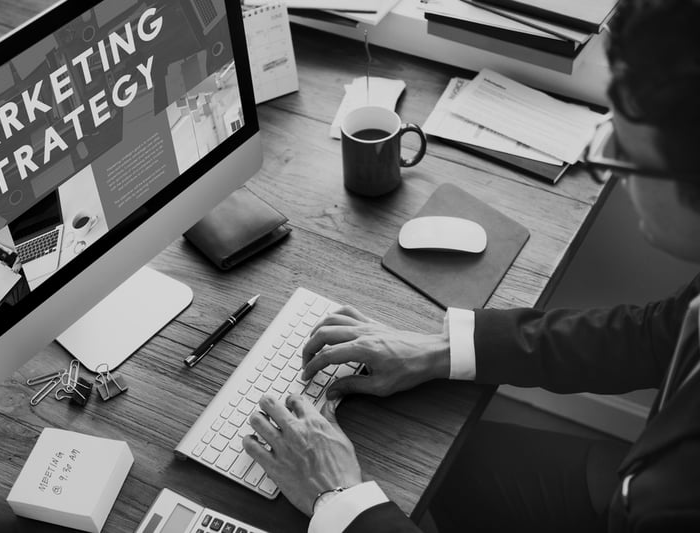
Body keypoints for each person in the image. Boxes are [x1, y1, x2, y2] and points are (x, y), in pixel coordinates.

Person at [240, 0, 700, 531]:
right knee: (453, 470)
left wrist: (339, 497)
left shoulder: (678, 503)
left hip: (636, 502)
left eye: (624, 154)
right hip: (632, 478)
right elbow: (656, 336)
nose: (614, 178)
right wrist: (442, 349)